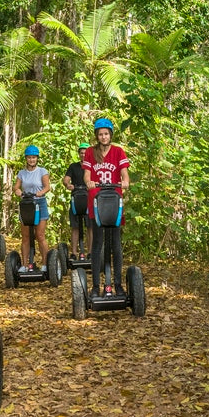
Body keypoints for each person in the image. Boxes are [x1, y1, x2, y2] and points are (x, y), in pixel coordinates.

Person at [82, 117, 130, 297]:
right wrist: (89, 182)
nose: (103, 137)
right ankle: (95, 286)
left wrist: (125, 182)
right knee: (97, 244)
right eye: (100, 134)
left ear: (110, 135)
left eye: (106, 134)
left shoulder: (118, 152)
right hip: (96, 200)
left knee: (115, 243)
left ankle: (117, 284)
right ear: (97, 136)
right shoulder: (90, 152)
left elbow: (125, 174)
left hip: (114, 200)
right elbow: (87, 175)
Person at [14, 144, 51, 271]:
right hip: (26, 204)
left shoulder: (42, 171)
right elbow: (16, 187)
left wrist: (41, 192)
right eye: (29, 158)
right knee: (25, 237)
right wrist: (18, 191)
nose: (32, 160)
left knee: (40, 235)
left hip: (39, 203)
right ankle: (24, 265)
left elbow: (47, 187)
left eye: (34, 158)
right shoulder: (22, 173)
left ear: (37, 158)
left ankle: (46, 264)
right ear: (26, 158)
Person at [63, 144, 92, 259]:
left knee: (90, 226)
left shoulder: (92, 167)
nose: (83, 155)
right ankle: (74, 253)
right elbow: (66, 179)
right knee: (75, 227)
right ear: (79, 154)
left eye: (85, 153)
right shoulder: (73, 166)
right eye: (81, 153)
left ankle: (90, 253)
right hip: (76, 198)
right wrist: (68, 185)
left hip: (88, 198)